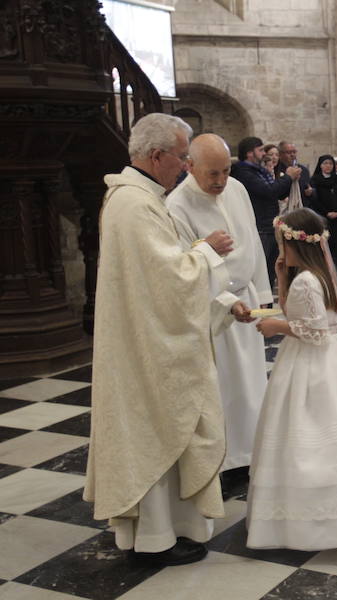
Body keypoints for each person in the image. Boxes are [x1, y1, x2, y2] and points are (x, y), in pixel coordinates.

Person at [85, 113, 235, 566]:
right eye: (182, 158)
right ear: (156, 156)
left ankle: (165, 531)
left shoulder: (140, 199)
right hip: (144, 349)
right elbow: (169, 279)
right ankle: (154, 540)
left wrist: (218, 293)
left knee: (160, 431)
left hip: (144, 340)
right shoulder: (134, 204)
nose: (185, 167)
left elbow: (160, 271)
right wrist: (207, 249)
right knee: (155, 430)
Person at [247, 208, 337, 550]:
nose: (279, 252)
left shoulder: (307, 280)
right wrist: (280, 277)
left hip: (314, 364)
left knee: (308, 437)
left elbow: (315, 332)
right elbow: (297, 311)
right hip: (334, 360)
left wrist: (276, 327)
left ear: (295, 243)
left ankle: (312, 519)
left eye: (281, 245)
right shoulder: (313, 275)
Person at [167, 133, 271, 484]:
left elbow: (253, 240)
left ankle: (250, 455)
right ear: (189, 166)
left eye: (226, 171)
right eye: (213, 174)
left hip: (248, 300)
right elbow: (183, 268)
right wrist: (227, 302)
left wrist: (263, 291)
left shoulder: (238, 189)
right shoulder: (177, 205)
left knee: (253, 383)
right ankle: (223, 464)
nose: (221, 181)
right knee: (223, 387)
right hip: (213, 310)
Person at [231, 137, 301, 286]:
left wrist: (291, 180)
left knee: (269, 272)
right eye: (261, 150)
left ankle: (267, 306)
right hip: (259, 228)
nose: (265, 153)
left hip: (269, 226)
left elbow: (278, 194)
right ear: (250, 153)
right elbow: (268, 191)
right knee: (260, 274)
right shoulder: (243, 172)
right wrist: (288, 177)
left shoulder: (260, 171)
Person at [309, 155, 337, 273]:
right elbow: (314, 200)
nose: (328, 166)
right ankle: (326, 270)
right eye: (325, 163)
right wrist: (327, 213)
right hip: (323, 218)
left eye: (330, 164)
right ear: (320, 165)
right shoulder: (315, 180)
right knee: (326, 245)